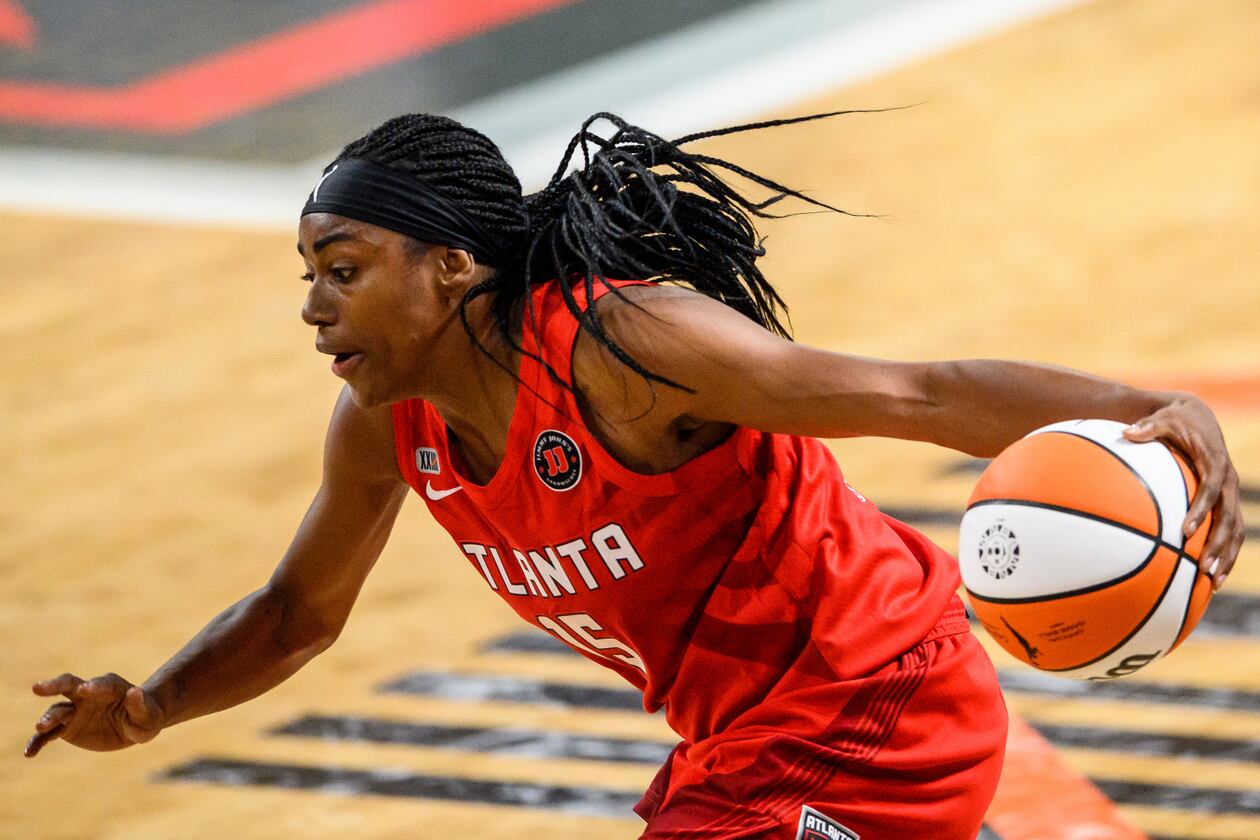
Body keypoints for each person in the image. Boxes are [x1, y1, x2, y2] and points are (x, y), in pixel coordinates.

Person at [26, 112, 1245, 839]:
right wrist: (151, 709)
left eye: (342, 268)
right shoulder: (380, 427)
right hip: (751, 745)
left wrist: (1146, 412)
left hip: (875, 704)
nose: (312, 305)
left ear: (451, 268)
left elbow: (913, 393)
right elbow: (298, 615)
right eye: (306, 273)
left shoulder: (625, 348)